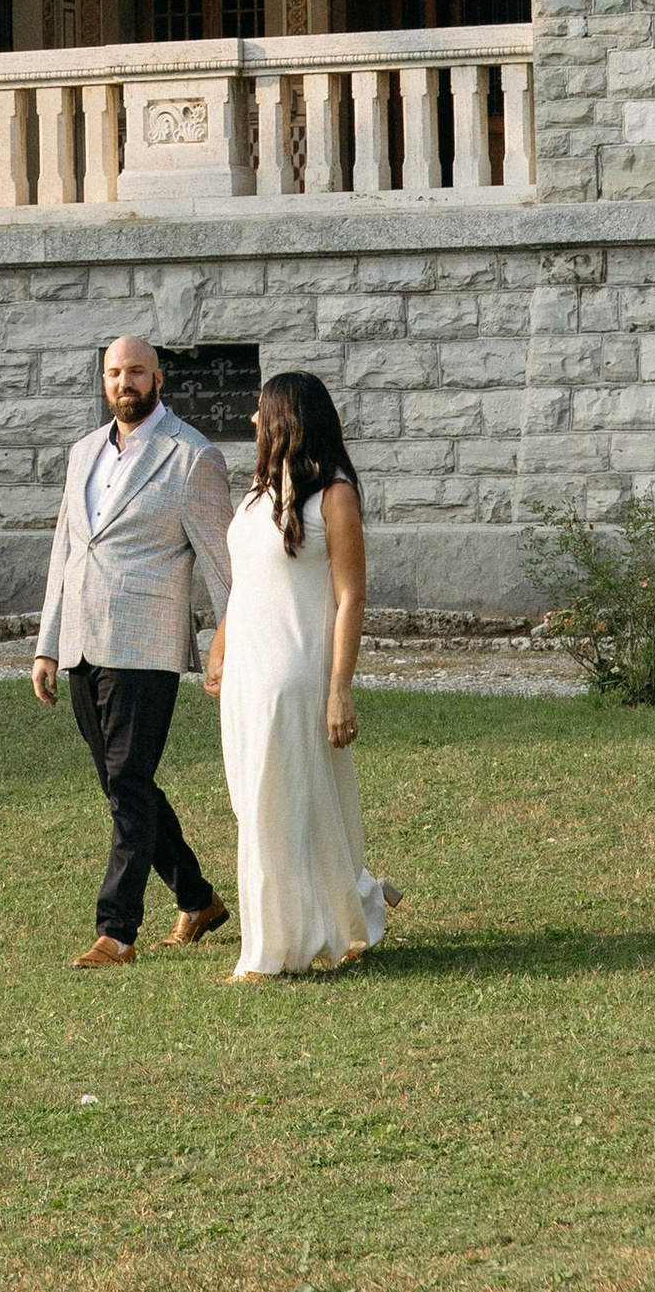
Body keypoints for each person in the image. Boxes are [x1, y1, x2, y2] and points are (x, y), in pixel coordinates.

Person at [31, 331, 234, 968]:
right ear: (104, 380)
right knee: (124, 786)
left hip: (146, 646)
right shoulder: (83, 452)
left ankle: (116, 931)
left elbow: (224, 566)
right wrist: (47, 645)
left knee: (128, 781)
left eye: (138, 372)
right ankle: (197, 898)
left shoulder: (192, 457)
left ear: (159, 379)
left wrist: (229, 643)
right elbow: (67, 550)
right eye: (115, 373)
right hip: (83, 643)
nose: (126, 383)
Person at [203, 368, 396, 980]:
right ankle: (357, 898)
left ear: (289, 417)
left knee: (272, 806)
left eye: (263, 410)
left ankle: (270, 951)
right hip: (247, 672)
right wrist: (220, 646)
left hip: (293, 670)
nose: (254, 420)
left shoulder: (333, 494)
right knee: (267, 803)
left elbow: (351, 596)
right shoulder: (258, 493)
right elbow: (246, 583)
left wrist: (339, 690)